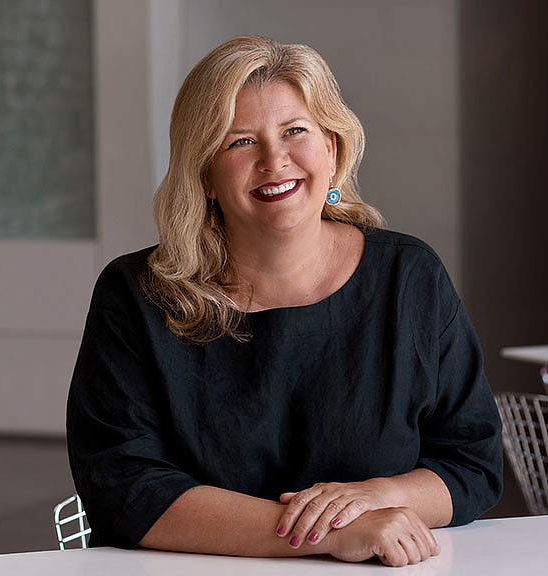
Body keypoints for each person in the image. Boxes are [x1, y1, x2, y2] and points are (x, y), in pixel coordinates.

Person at [65, 35, 502, 567]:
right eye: (240, 142)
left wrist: (376, 496)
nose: (276, 160)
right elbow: (121, 485)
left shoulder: (409, 276)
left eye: (296, 131)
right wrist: (327, 532)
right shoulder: (136, 293)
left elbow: (472, 464)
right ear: (203, 173)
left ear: (333, 149)